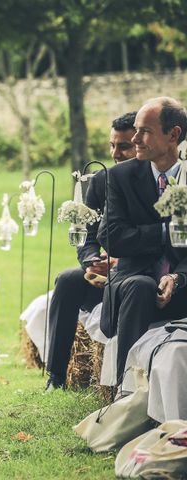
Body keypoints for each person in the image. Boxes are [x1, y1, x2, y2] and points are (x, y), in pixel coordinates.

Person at [98, 96, 187, 384]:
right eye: (136, 130)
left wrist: (177, 277)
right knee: (141, 285)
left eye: (144, 131)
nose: (134, 138)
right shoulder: (120, 177)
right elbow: (112, 237)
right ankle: (125, 392)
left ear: (173, 135)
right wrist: (165, 231)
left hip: (182, 287)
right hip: (130, 286)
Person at [45, 112, 137, 390]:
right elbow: (85, 236)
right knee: (67, 279)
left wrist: (120, 260)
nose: (115, 153)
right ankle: (56, 376)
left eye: (124, 146)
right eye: (112, 145)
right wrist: (91, 261)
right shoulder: (100, 181)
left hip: (138, 273)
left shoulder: (156, 181)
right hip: (104, 276)